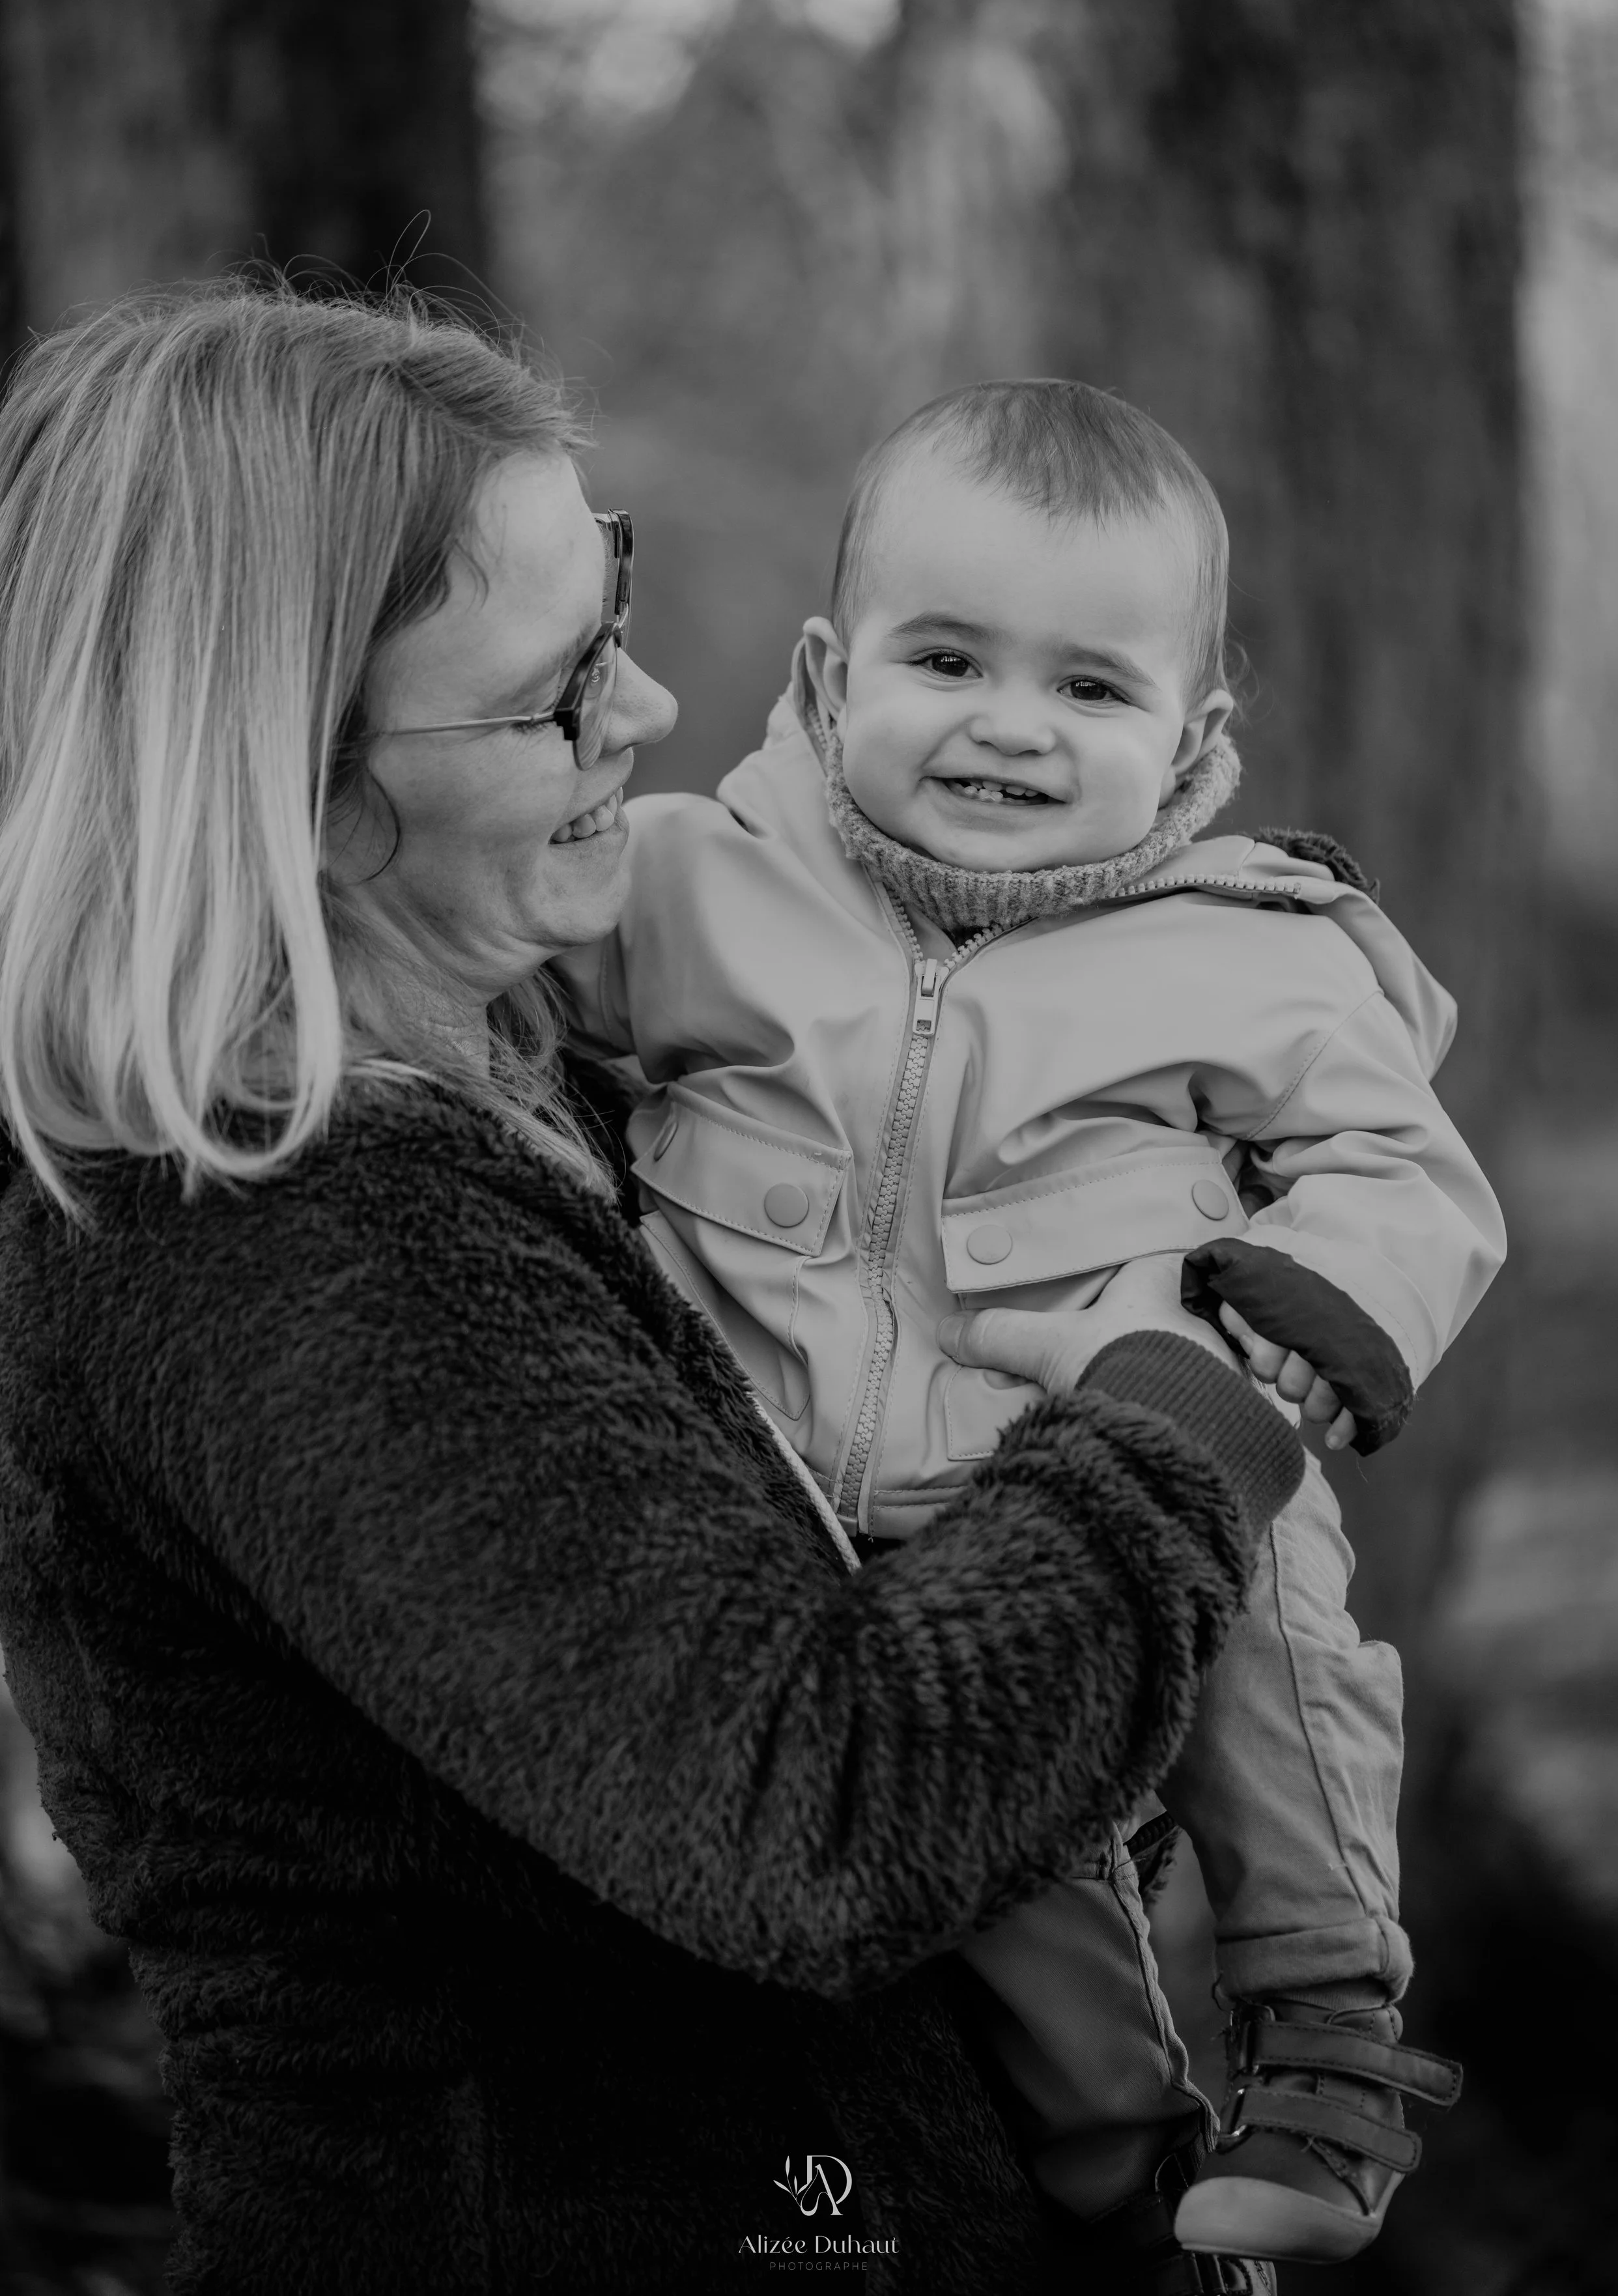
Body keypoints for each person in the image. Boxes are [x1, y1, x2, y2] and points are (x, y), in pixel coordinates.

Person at [0, 287, 1311, 2296]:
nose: (648, 713)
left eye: (605, 609)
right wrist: (1191, 1407)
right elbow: (821, 1813)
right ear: (300, 789)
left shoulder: (574, 1087)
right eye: (550, 694)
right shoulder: (282, 1235)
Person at [551, 380, 1503, 2267]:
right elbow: (484, 1001)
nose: (1008, 723)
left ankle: (1323, 2034)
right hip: (786, 1553)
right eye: (947, 656)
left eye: (1088, 688)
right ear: (830, 676)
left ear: (1193, 732)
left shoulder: (1255, 947)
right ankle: (1128, 2176)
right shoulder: (685, 882)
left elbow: (1411, 1169)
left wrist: (1307, 1300)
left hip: (1082, 1502)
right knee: (1016, 1927)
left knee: (1274, 1604)